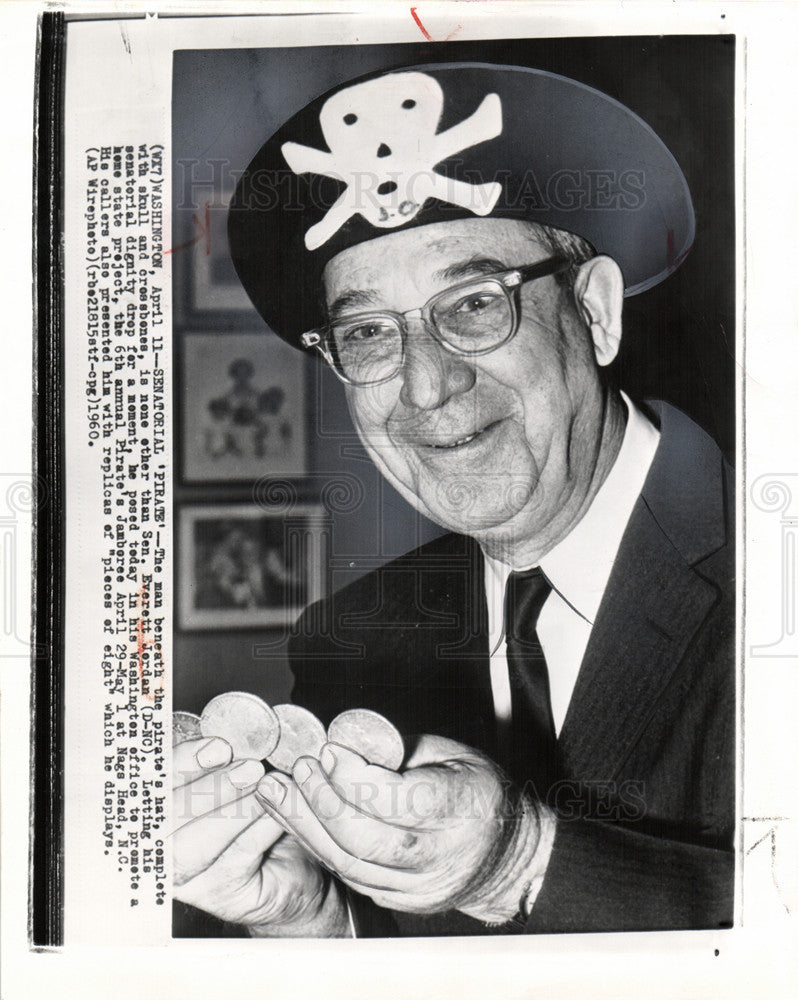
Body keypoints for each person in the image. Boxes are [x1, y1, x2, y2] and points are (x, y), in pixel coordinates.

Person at [173, 63, 734, 936]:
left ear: (595, 313)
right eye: (367, 335)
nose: (427, 388)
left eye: (473, 305)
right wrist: (311, 922)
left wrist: (519, 864)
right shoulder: (353, 640)